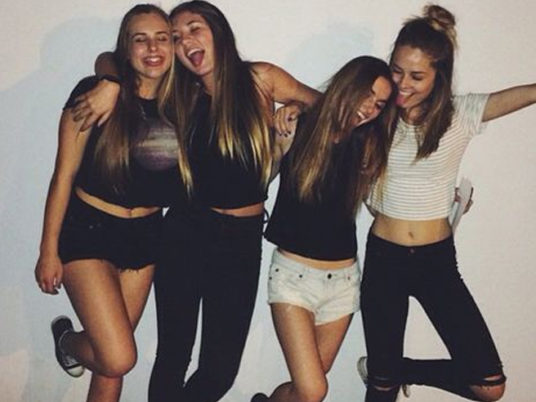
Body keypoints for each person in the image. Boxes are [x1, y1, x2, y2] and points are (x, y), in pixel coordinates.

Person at [73, 2, 319, 400]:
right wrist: (110, 81)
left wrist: (294, 111)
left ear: (217, 30)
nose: (185, 41)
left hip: (241, 240)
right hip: (186, 230)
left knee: (220, 371)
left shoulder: (260, 79)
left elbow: (326, 108)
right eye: (176, 37)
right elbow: (111, 57)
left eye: (194, 28)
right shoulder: (177, 93)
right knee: (173, 357)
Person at [359, 4, 536, 402]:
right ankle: (385, 372)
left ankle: (398, 368)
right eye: (396, 70)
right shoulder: (376, 114)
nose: (402, 84)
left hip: (435, 262)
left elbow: (526, 94)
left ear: (439, 75)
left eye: (416, 76)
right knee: (382, 387)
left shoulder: (461, 114)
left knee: (489, 386)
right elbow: (324, 110)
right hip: (384, 258)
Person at [34, 5, 191, 402]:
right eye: (141, 39)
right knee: (118, 356)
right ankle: (68, 342)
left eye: (162, 38)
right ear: (126, 46)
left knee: (110, 366)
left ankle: (74, 347)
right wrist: (48, 249)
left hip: (146, 237)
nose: (153, 48)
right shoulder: (95, 94)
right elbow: (63, 174)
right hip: (89, 230)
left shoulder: (184, 103)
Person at [251, 56, 397, 402]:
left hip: (344, 283)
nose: (370, 109)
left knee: (307, 390)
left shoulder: (367, 143)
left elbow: (376, 206)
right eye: (367, 95)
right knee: (314, 389)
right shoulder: (299, 123)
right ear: (348, 85)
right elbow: (258, 184)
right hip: (293, 278)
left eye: (379, 104)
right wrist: (278, 149)